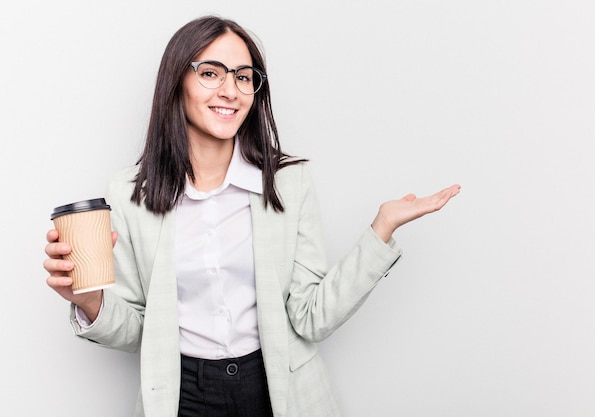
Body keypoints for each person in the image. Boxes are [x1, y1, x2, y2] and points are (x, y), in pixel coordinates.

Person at [43, 15, 460, 417]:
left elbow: (310, 316)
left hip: (278, 390)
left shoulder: (288, 182)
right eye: (211, 72)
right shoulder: (131, 192)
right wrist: (89, 301)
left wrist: (381, 230)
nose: (231, 90)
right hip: (180, 395)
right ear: (177, 82)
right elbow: (138, 329)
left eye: (243, 76)